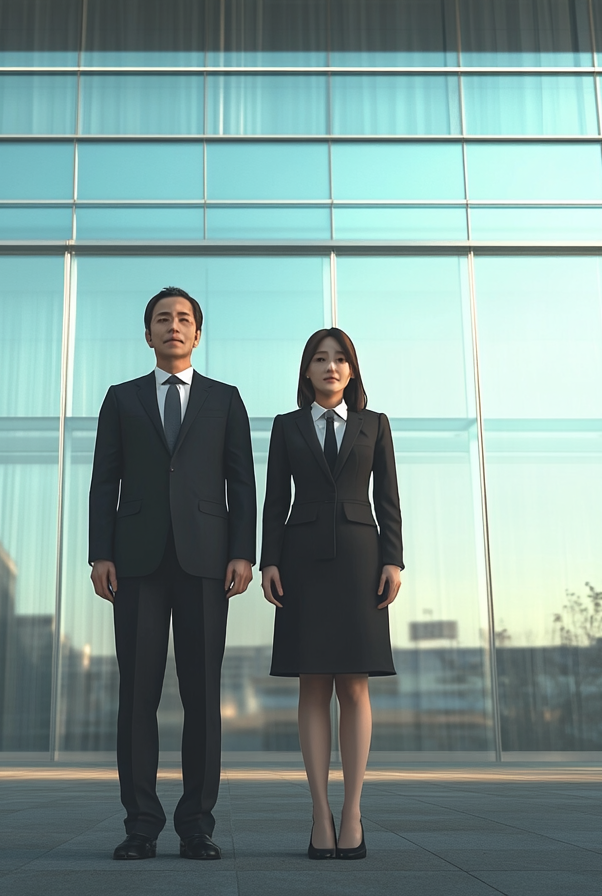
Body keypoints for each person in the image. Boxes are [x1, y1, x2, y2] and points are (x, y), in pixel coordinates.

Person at [88, 286, 257, 861]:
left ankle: (196, 825)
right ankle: (140, 824)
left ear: (198, 333)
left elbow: (242, 483)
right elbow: (102, 481)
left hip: (207, 561)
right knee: (137, 695)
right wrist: (99, 553)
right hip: (134, 562)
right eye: (163, 319)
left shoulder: (225, 399)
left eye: (183, 319)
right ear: (148, 334)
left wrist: (243, 551)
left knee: (202, 695)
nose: (173, 326)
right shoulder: (121, 398)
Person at [259, 328, 403, 861]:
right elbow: (275, 498)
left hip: (363, 560)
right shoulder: (286, 426)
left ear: (352, 369)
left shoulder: (375, 425)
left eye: (340, 359)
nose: (331, 367)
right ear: (306, 371)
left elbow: (388, 498)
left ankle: (353, 812)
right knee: (312, 685)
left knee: (356, 687)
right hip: (301, 560)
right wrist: (268, 559)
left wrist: (394, 559)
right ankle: (320, 812)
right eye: (320, 359)